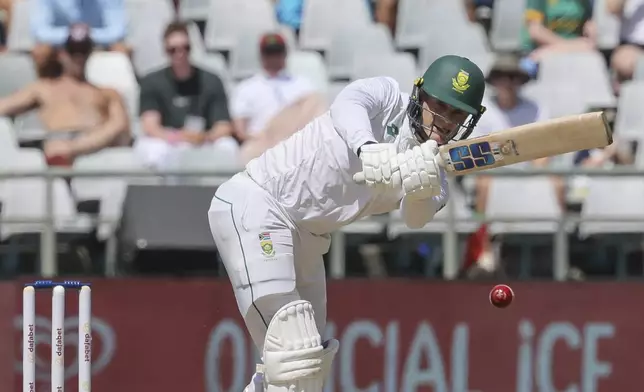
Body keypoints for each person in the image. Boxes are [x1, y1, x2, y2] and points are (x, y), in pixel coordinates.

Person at [208, 55, 487, 391]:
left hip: (308, 240)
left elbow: (415, 220)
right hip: (259, 205)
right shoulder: (387, 98)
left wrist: (418, 188)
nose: (444, 121)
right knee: (296, 354)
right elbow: (348, 103)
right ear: (420, 95)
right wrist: (367, 147)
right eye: (440, 105)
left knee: (301, 374)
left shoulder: (436, 171)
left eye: (457, 114)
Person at [0, 23, 130, 165]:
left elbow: (119, 125)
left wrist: (74, 147)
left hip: (95, 150)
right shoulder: (43, 88)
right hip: (54, 147)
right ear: (62, 54)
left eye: (83, 51)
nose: (78, 58)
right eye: (73, 51)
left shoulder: (107, 93)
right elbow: (5, 106)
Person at [135, 21, 239, 171]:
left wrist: (204, 137)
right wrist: (178, 137)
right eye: (173, 50)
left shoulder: (211, 80)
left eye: (185, 48)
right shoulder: (151, 82)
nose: (180, 54)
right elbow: (151, 126)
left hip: (203, 139)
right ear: (165, 51)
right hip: (167, 140)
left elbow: (223, 125)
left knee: (228, 146)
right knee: (150, 149)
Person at [231, 32, 325, 163]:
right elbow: (240, 129)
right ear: (261, 56)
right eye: (269, 53)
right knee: (247, 154)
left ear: (285, 54)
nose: (273, 58)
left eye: (277, 53)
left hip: (297, 143)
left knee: (314, 100)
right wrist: (258, 138)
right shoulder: (247, 88)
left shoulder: (303, 85)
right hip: (262, 142)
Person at [30, 0, 130, 77]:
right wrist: (73, 34)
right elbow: (40, 31)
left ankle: (120, 97)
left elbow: (118, 31)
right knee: (41, 51)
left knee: (121, 49)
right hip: (61, 46)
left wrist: (84, 35)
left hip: (96, 45)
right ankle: (43, 95)